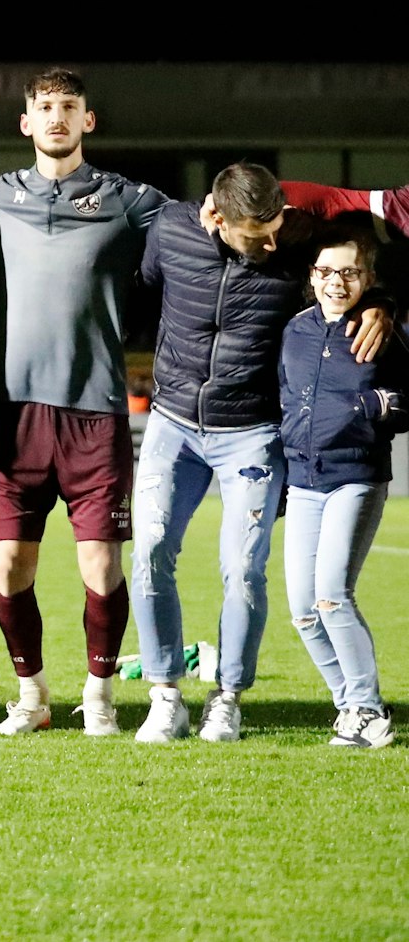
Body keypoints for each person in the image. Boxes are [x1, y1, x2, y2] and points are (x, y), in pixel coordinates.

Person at [129, 162, 390, 744]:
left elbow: (361, 261)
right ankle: (164, 695)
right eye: (257, 234)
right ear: (215, 217)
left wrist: (384, 302)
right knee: (148, 554)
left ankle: (227, 698)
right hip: (172, 425)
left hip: (251, 434)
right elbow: (142, 291)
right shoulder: (170, 230)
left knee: (244, 569)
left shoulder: (293, 241)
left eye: (277, 227)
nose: (273, 243)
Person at [0, 67, 165, 736]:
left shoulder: (129, 200)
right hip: (13, 416)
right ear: (26, 122)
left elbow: (198, 237)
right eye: (45, 107)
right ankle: (32, 693)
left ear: (87, 121)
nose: (57, 117)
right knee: (12, 563)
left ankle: (98, 694)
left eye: (69, 106)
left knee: (99, 561)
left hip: (94, 411)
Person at [280, 231, 407, 749]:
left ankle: (366, 709)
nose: (337, 281)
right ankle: (351, 708)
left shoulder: (384, 332)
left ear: (367, 279)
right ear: (312, 277)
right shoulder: (295, 331)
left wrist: (369, 409)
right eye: (327, 271)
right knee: (303, 610)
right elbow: (285, 394)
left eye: (350, 272)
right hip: (303, 480)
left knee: (332, 595)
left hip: (355, 476)